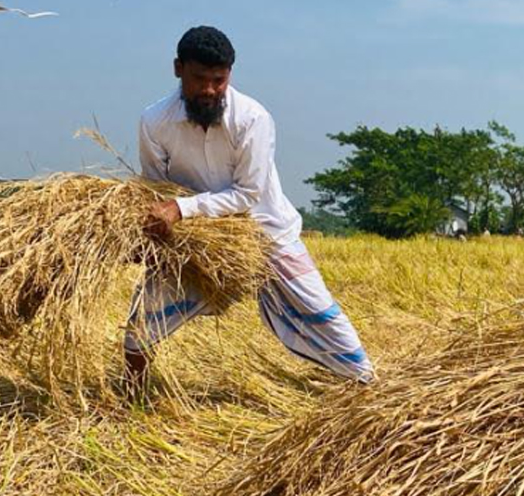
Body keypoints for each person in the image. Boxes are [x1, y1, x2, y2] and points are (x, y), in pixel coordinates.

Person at [125, 26, 373, 392]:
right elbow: (156, 188)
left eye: (218, 80)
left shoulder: (252, 119)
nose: (209, 90)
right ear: (178, 69)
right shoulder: (154, 122)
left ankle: (367, 386)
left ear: (229, 75)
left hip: (267, 234)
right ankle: (132, 400)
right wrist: (157, 231)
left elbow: (248, 194)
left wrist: (180, 208)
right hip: (195, 241)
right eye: (199, 79)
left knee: (323, 316)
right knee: (139, 326)